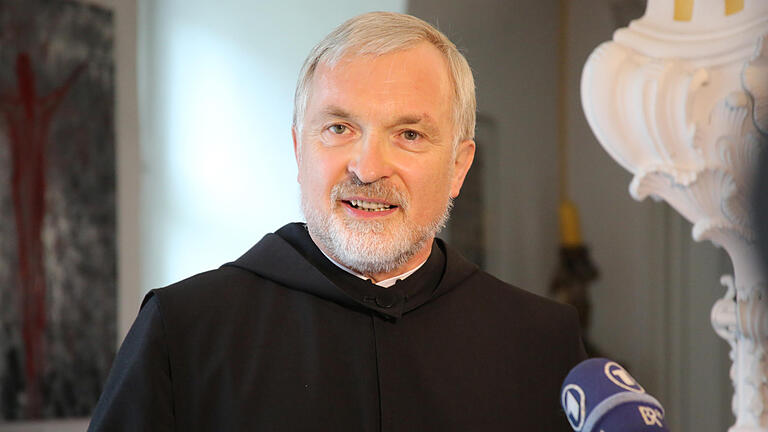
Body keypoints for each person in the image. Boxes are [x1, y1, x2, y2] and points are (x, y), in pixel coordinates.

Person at [88, 11, 586, 431]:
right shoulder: (182, 331)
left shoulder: (542, 344)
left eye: (409, 134)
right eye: (339, 128)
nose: (367, 168)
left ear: (458, 167)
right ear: (299, 150)